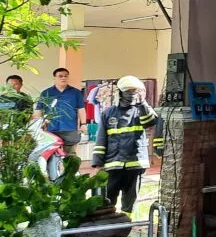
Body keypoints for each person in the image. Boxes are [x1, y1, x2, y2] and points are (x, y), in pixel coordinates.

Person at [92, 75, 159, 219]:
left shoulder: (141, 110)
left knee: (130, 199)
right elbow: (101, 139)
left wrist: (142, 104)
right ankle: (108, 223)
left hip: (135, 163)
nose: (131, 94)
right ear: (120, 93)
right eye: (128, 91)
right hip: (113, 163)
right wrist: (98, 163)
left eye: (134, 91)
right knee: (109, 197)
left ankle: (126, 223)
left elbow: (151, 122)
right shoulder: (108, 113)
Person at [35, 68, 86, 155]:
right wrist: (39, 124)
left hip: (69, 128)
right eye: (60, 76)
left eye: (66, 76)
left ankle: (69, 164)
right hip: (51, 128)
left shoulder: (76, 92)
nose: (63, 78)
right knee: (51, 155)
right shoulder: (46, 93)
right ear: (54, 78)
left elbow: (81, 109)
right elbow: (39, 109)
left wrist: (83, 124)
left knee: (70, 155)